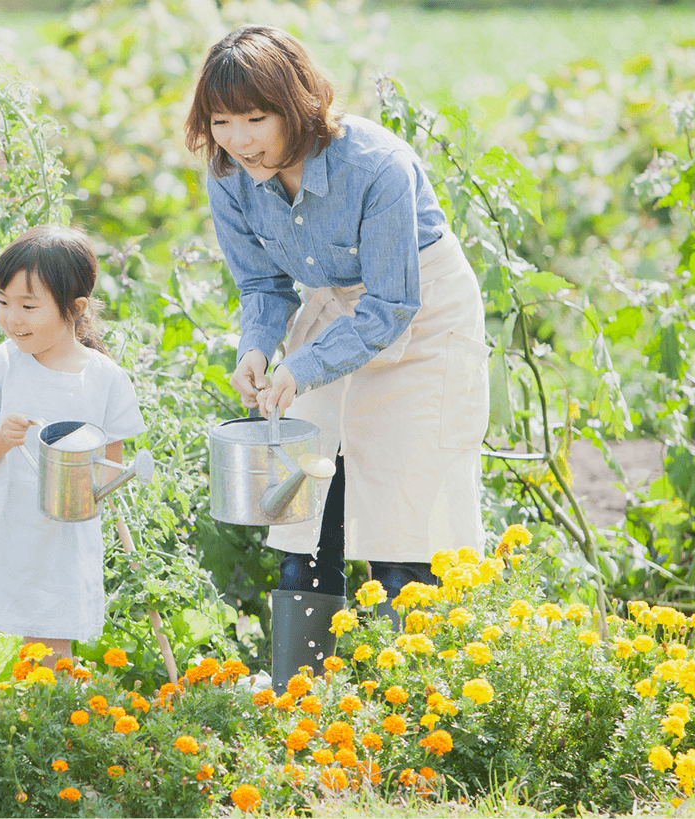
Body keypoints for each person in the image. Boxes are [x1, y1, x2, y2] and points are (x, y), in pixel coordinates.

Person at [184, 25, 490, 688]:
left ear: (297, 104)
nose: (239, 139)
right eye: (222, 121)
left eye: (256, 118)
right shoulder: (230, 173)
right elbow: (263, 283)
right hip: (332, 311)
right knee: (305, 502)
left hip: (421, 315)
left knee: (407, 513)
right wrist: (259, 347)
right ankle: (305, 704)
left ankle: (421, 707)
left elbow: (389, 307)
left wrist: (303, 364)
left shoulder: (375, 164)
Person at [0, 225, 147, 689]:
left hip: (56, 535)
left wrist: (96, 488)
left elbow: (108, 468)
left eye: (28, 306)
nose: (12, 318)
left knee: (49, 651)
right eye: (3, 302)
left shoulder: (105, 380)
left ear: (75, 309)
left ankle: (45, 751)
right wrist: (2, 439)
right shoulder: (0, 364)